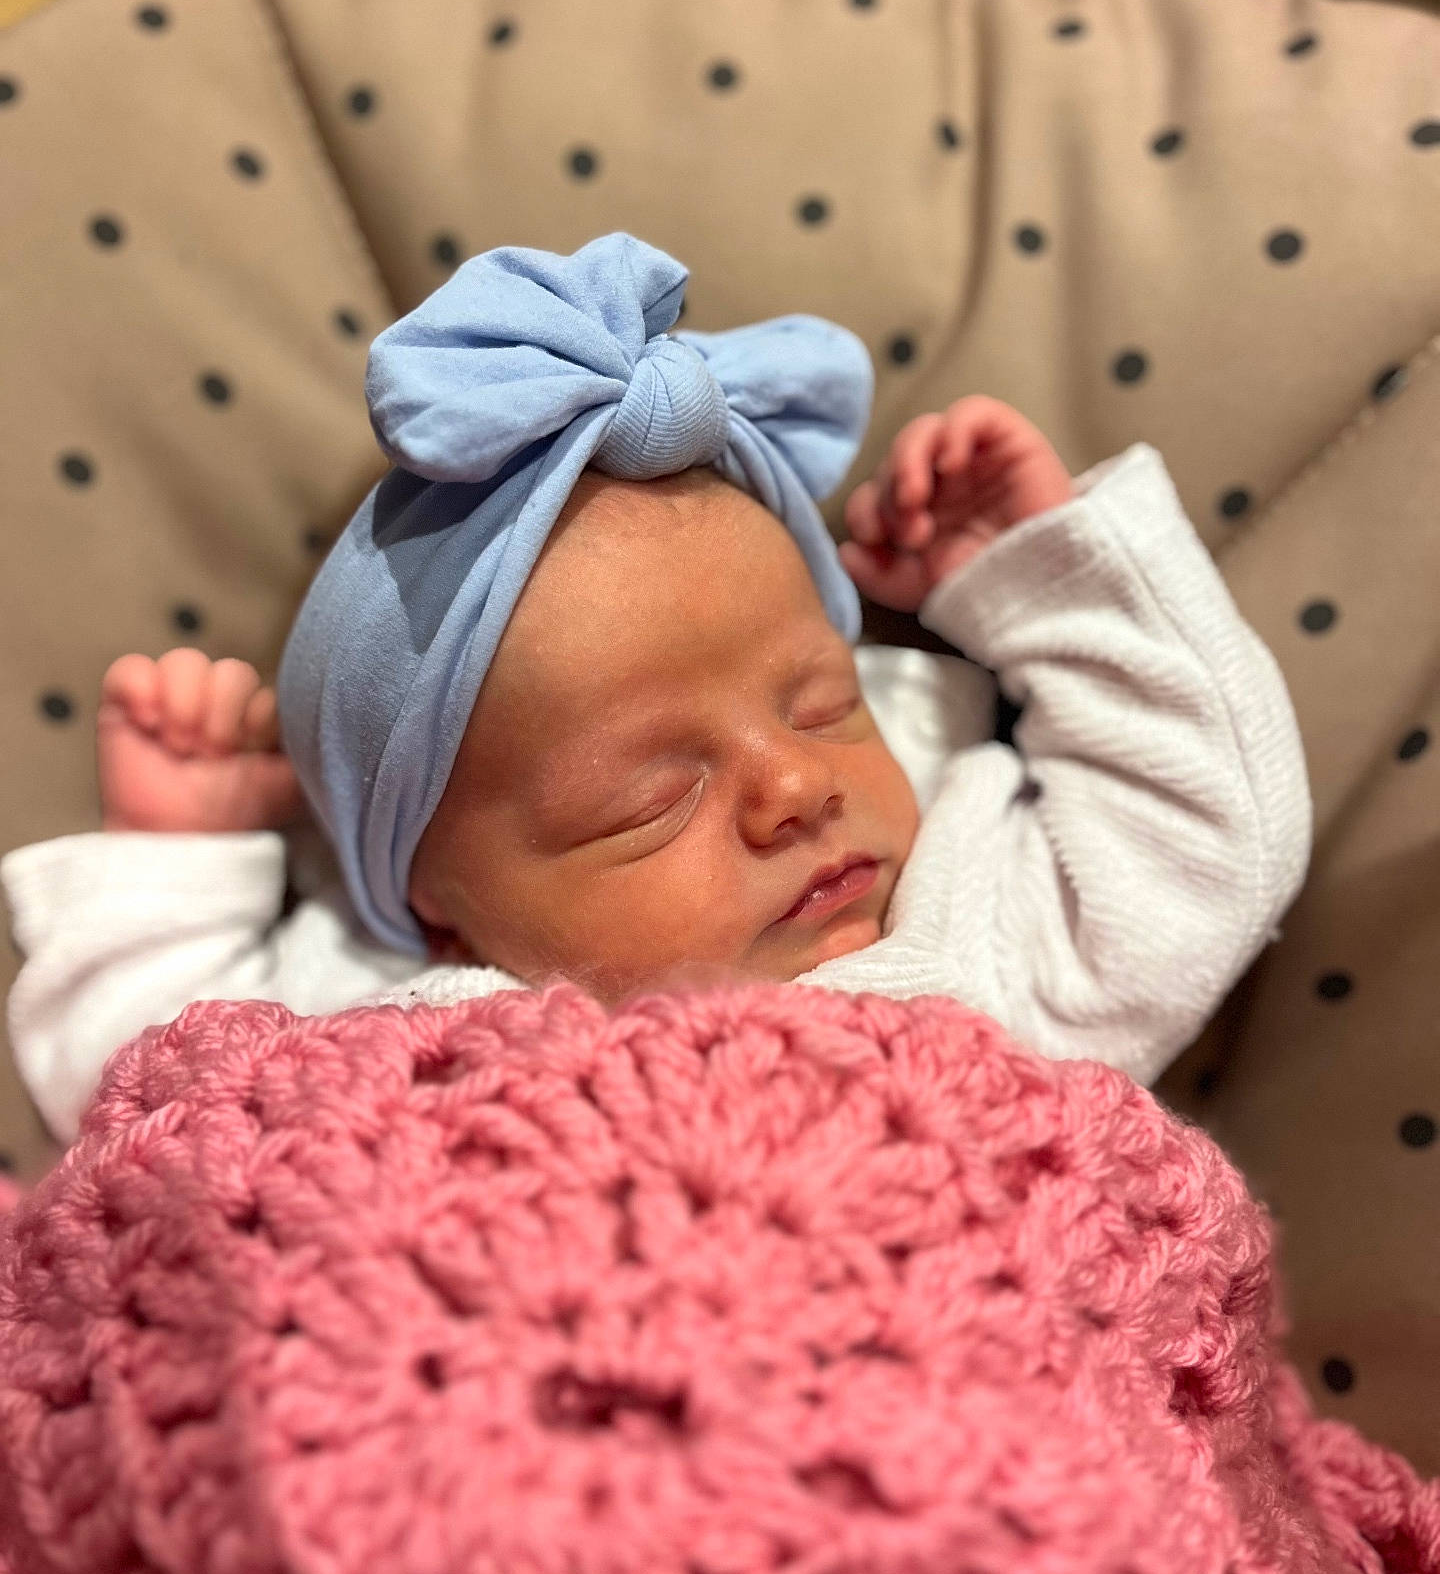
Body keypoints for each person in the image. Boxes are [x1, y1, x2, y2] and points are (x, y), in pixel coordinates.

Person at [2, 233, 1310, 1147]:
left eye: (820, 704)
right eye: (651, 797)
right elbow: (144, 1091)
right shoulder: (370, 1026)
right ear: (437, 904)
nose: (797, 786)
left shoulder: (969, 923)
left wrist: (1046, 579)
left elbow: (1204, 839)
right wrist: (178, 863)